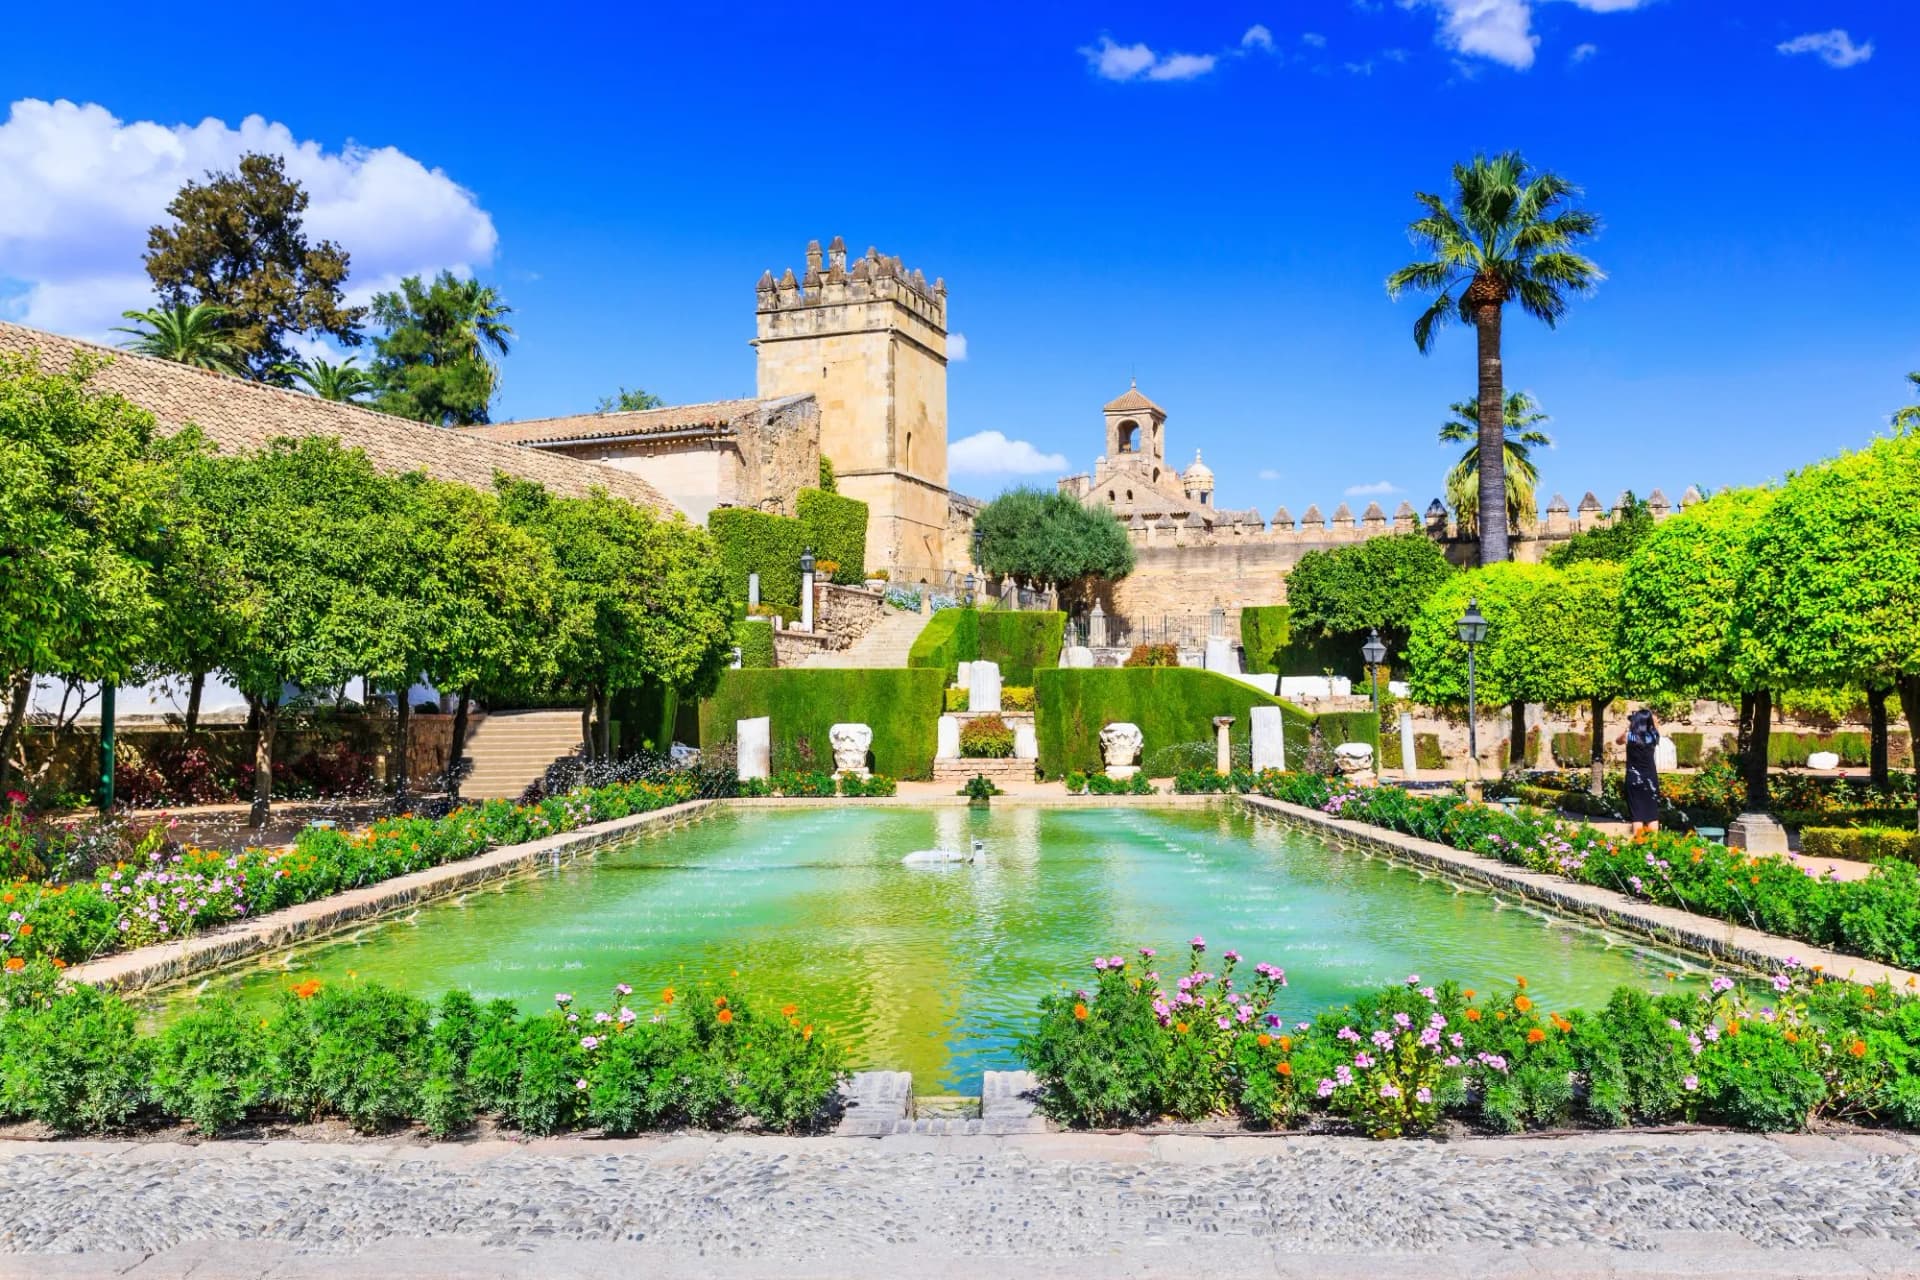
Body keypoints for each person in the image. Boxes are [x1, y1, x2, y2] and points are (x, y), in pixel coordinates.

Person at [1621, 708, 1662, 838]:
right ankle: (1655, 846)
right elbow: (1655, 725)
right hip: (1650, 779)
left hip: (1633, 778)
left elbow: (1618, 740)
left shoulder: (1629, 736)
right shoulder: (1654, 736)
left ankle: (1639, 845)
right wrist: (1650, 719)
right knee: (1652, 814)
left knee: (1637, 815)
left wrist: (1629, 725)